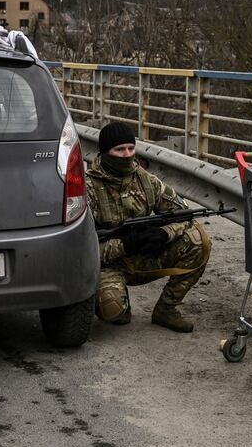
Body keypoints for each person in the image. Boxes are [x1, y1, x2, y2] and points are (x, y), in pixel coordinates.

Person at [85, 121, 211, 332]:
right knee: (112, 309)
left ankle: (166, 310)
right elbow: (81, 251)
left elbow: (184, 214)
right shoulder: (88, 188)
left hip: (143, 258)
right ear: (105, 152)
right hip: (107, 265)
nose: (126, 154)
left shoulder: (146, 180)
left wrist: (164, 234)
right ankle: (120, 303)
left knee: (198, 240)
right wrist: (124, 244)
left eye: (131, 148)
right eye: (119, 149)